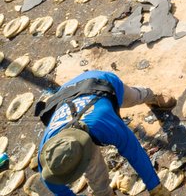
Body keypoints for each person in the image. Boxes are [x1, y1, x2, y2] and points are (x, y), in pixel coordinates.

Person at [36, 70, 175, 196]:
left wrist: (155, 186)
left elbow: (134, 152)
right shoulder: (49, 161)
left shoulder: (106, 125)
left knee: (134, 97)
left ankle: (152, 96)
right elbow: (60, 192)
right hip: (65, 97)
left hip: (100, 82)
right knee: (94, 172)